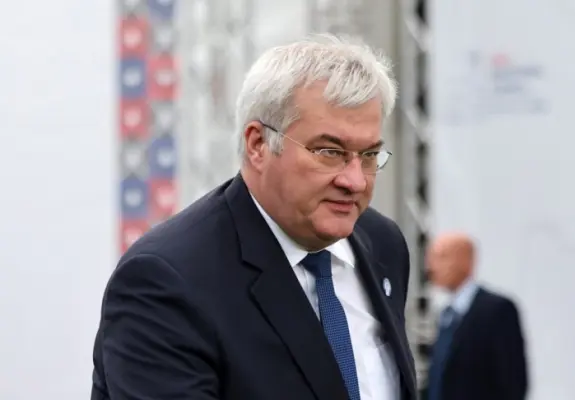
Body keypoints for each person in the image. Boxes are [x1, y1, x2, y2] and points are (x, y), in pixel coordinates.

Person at [91, 34, 416, 400]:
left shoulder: (382, 244)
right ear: (258, 144)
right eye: (330, 152)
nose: (355, 181)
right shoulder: (166, 282)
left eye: (369, 155)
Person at [424, 232, 528, 400]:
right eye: (430, 258)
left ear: (465, 261)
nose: (431, 266)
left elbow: (512, 381)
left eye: (441, 257)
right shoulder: (446, 315)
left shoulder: (497, 311)